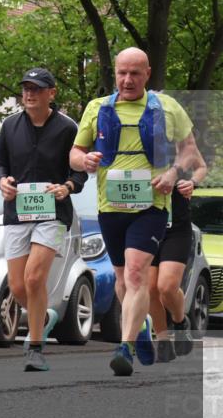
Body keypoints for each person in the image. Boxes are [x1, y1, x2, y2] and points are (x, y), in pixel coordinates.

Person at [70, 48, 199, 376]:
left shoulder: (167, 107)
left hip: (151, 207)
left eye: (135, 74)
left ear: (148, 74)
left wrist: (172, 174)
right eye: (122, 73)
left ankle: (125, 348)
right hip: (110, 208)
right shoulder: (97, 108)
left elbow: (190, 153)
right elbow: (75, 151)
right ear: (114, 73)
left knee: (137, 274)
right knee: (121, 281)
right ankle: (140, 331)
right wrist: (83, 161)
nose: (128, 80)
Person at [0, 68, 88, 372]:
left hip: (53, 213)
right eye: (25, 88)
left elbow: (79, 170)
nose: (29, 94)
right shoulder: (9, 126)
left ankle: (35, 348)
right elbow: (1, 163)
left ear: (52, 92)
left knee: (35, 278)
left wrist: (67, 186)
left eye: (36, 88)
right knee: (18, 286)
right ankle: (43, 316)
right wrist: (3, 182)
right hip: (17, 213)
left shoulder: (67, 129)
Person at [149, 140, 208, 362]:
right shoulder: (137, 139)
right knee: (150, 289)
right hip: (146, 224)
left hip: (177, 227)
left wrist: (192, 182)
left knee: (166, 286)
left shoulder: (183, 142)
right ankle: (163, 340)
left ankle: (180, 319)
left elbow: (201, 166)